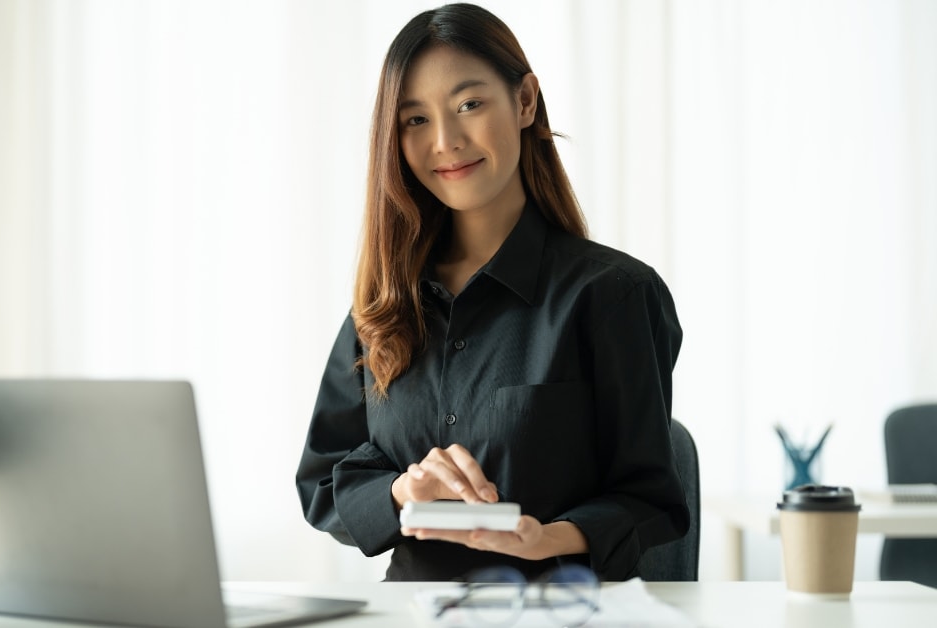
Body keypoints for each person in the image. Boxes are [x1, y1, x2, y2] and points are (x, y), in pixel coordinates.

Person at [295, 2, 688, 582]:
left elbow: (651, 499)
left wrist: (547, 537)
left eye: (469, 104)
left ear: (525, 101)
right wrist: (404, 489)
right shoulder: (385, 304)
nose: (446, 140)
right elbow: (323, 483)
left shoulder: (614, 296)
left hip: (559, 611)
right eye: (416, 119)